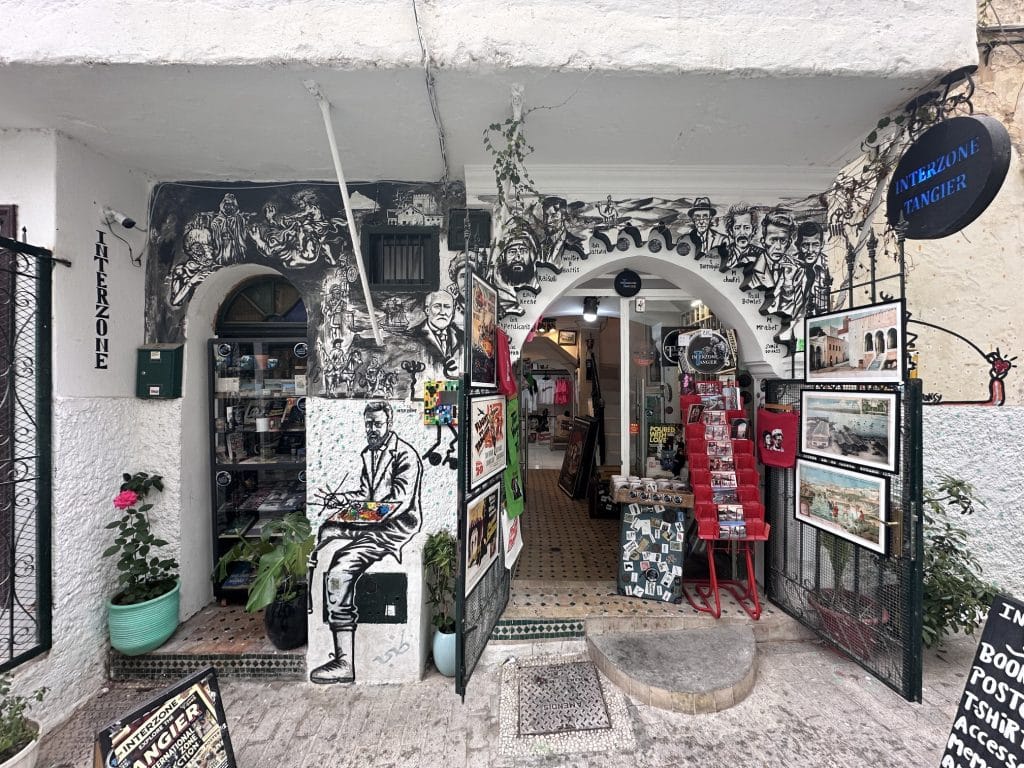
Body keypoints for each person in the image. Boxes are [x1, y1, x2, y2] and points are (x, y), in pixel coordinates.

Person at [308, 401, 423, 684]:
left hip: (391, 529)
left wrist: (356, 513)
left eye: (377, 424)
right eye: (368, 424)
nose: (372, 429)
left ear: (390, 423)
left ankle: (344, 662)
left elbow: (397, 502)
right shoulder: (369, 455)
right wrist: (343, 501)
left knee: (340, 568)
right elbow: (365, 492)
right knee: (324, 534)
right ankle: (311, 600)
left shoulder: (405, 455)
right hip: (371, 523)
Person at [409, 290, 464, 377]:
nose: (442, 312)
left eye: (447, 307)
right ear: (427, 310)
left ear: (453, 312)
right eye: (437, 306)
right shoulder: (413, 335)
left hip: (450, 388)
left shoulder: (461, 337)